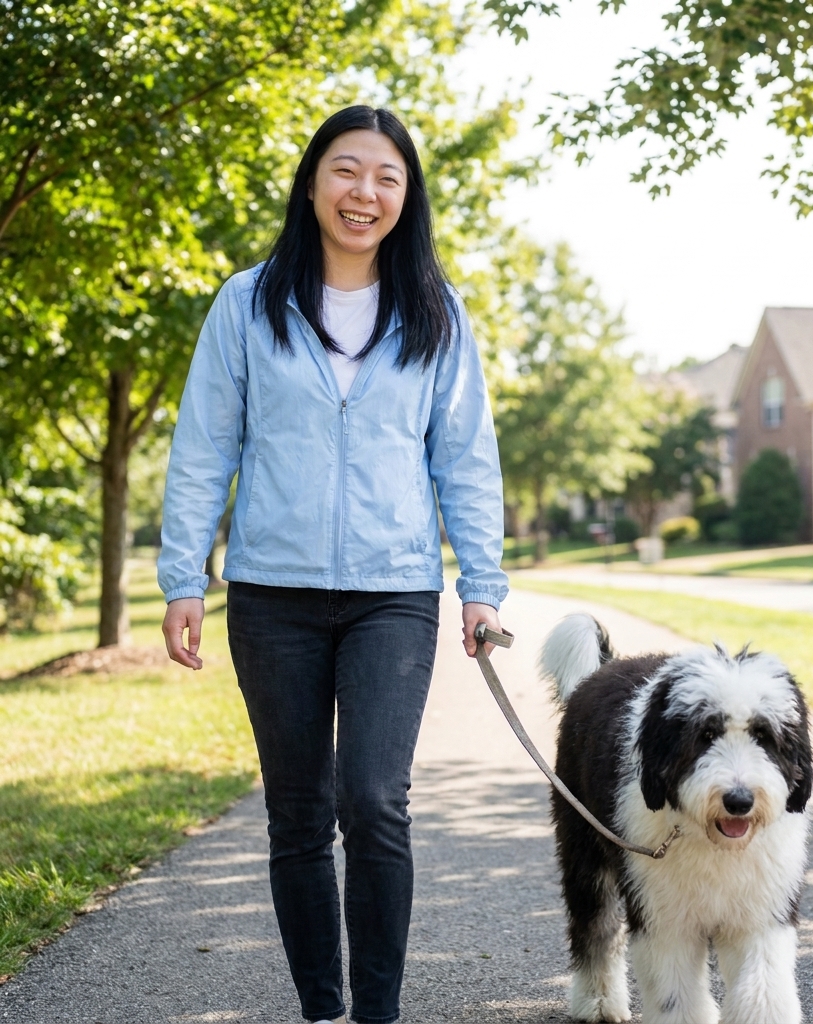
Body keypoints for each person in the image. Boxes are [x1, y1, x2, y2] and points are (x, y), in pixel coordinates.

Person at [157, 105, 507, 1024]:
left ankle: (379, 1013)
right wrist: (183, 576)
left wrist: (482, 587)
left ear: (407, 196)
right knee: (300, 815)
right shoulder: (246, 302)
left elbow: (465, 457)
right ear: (312, 183)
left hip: (393, 592)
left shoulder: (437, 311)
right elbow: (203, 449)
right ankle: (324, 1009)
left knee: (374, 802)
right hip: (273, 595)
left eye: (387, 177)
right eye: (347, 172)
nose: (366, 193)